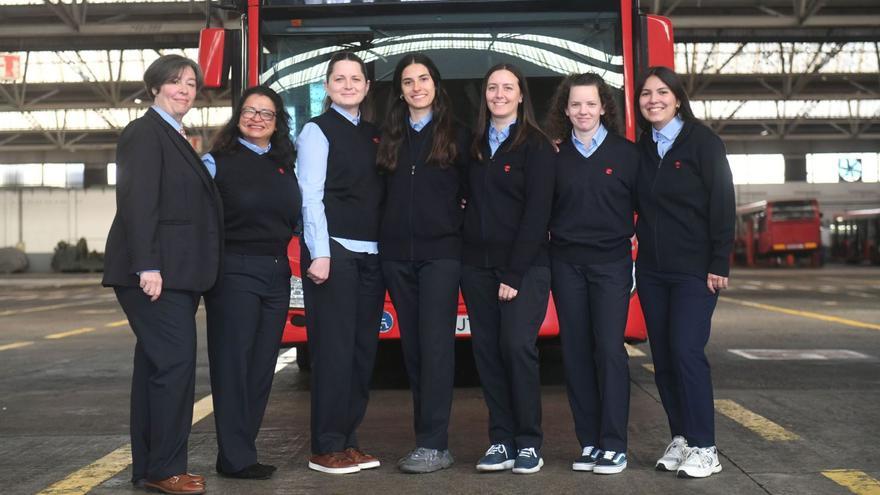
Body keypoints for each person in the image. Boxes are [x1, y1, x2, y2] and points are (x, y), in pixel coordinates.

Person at [102, 54, 220, 495]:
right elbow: (137, 201)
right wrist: (147, 265)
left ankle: (148, 467)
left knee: (156, 368)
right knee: (175, 366)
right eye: (175, 82)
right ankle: (167, 468)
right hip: (155, 274)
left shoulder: (175, 136)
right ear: (154, 87)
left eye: (191, 83)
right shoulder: (144, 133)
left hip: (176, 273)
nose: (185, 90)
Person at [635, 66, 735, 479]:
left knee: (687, 351)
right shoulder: (642, 147)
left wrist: (719, 260)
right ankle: (682, 438)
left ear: (677, 98)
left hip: (695, 271)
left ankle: (706, 447)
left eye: (661, 92)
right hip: (654, 271)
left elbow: (723, 201)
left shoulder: (703, 142)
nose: (652, 99)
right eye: (645, 93)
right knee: (663, 357)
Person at [201, 85, 301, 480]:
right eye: (250, 111)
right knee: (233, 365)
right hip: (234, 272)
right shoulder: (216, 162)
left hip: (278, 273)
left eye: (267, 113)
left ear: (277, 124)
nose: (257, 118)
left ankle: (242, 450)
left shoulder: (283, 163)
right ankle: (235, 456)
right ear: (238, 116)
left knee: (261, 366)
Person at [460, 63, 555, 475]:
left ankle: (529, 442)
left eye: (508, 88)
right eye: (492, 88)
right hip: (476, 267)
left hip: (524, 268)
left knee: (517, 348)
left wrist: (513, 275)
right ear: (485, 95)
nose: (499, 94)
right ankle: (501, 439)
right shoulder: (474, 143)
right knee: (487, 353)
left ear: (521, 95)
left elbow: (538, 214)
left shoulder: (536, 146)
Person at [376, 53, 468, 474]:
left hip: (441, 256)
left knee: (435, 348)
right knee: (413, 350)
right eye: (408, 81)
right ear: (400, 89)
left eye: (424, 79)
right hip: (397, 256)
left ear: (436, 84)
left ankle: (435, 443)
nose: (417, 87)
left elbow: (477, 193)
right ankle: (425, 440)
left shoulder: (459, 135)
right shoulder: (388, 137)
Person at [296, 51, 385, 475]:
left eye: (356, 79)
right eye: (339, 78)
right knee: (332, 352)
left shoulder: (374, 134)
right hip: (335, 253)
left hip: (372, 254)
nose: (348, 85)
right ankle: (326, 446)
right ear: (327, 86)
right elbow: (310, 195)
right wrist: (320, 253)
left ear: (367, 87)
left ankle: (349, 442)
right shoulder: (317, 131)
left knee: (361, 352)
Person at [545, 73, 639, 475]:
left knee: (609, 351)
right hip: (565, 264)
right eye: (575, 104)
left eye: (590, 103)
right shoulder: (553, 155)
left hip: (611, 265)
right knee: (576, 353)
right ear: (565, 110)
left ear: (604, 107)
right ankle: (589, 442)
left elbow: (648, 211)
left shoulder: (628, 154)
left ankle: (614, 443)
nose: (583, 111)